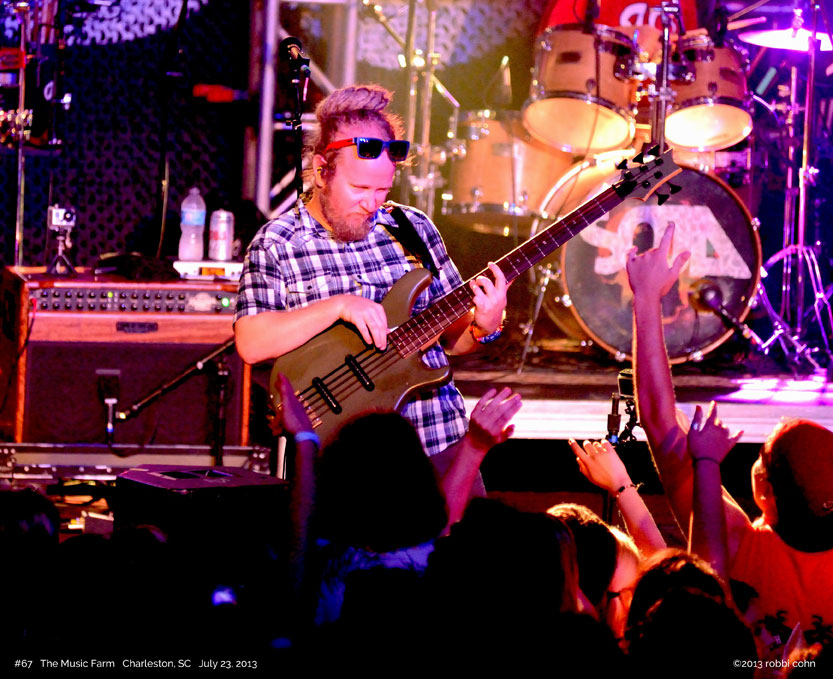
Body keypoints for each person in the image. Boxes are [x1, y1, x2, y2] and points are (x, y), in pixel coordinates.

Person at [235, 84, 508, 463]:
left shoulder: (412, 228)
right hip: (341, 458)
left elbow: (454, 341)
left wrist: (484, 326)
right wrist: (339, 306)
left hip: (436, 441)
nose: (372, 202)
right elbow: (251, 343)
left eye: (383, 189)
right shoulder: (278, 242)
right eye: (359, 187)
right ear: (321, 171)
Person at [627, 223, 833, 653]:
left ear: (763, 490)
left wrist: (646, 300)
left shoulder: (739, 548)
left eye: (763, 454)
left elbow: (661, 425)